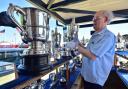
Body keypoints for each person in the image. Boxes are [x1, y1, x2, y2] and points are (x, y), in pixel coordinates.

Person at [66, 10, 116, 89]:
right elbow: (88, 51)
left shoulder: (108, 36)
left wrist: (75, 46)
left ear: (105, 19)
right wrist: (77, 41)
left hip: (95, 80)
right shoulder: (95, 35)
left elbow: (93, 56)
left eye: (97, 18)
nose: (93, 21)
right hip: (88, 76)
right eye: (93, 19)